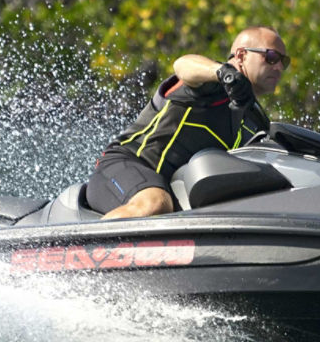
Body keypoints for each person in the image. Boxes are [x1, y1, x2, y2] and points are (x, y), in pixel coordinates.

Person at [86, 26, 291, 219]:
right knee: (154, 204)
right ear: (241, 55)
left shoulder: (256, 121)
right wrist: (223, 73)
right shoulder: (210, 83)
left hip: (172, 191)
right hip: (124, 165)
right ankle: (86, 251)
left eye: (284, 61)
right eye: (271, 57)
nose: (279, 67)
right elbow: (182, 65)